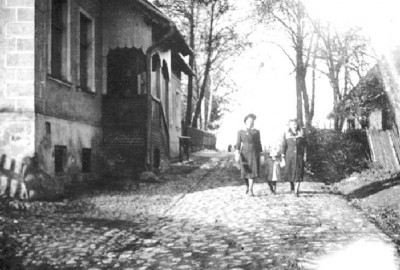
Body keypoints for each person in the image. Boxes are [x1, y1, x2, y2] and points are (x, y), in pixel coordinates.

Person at [234, 113, 262, 196]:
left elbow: (259, 143)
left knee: (252, 172)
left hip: (254, 153)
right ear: (245, 122)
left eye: (252, 121)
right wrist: (237, 153)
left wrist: (261, 155)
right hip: (244, 154)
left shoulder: (256, 132)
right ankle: (247, 186)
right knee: (245, 172)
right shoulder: (241, 131)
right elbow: (238, 143)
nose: (251, 122)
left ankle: (250, 190)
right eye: (249, 121)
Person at [281, 119, 307, 197]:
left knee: (299, 173)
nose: (294, 126)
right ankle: (292, 187)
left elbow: (305, 145)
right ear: (289, 125)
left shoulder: (301, 134)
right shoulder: (287, 134)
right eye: (292, 124)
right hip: (290, 157)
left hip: (299, 156)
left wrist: (305, 154)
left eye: (295, 124)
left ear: (297, 125)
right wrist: (283, 156)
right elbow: (284, 146)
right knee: (290, 173)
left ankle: (296, 191)